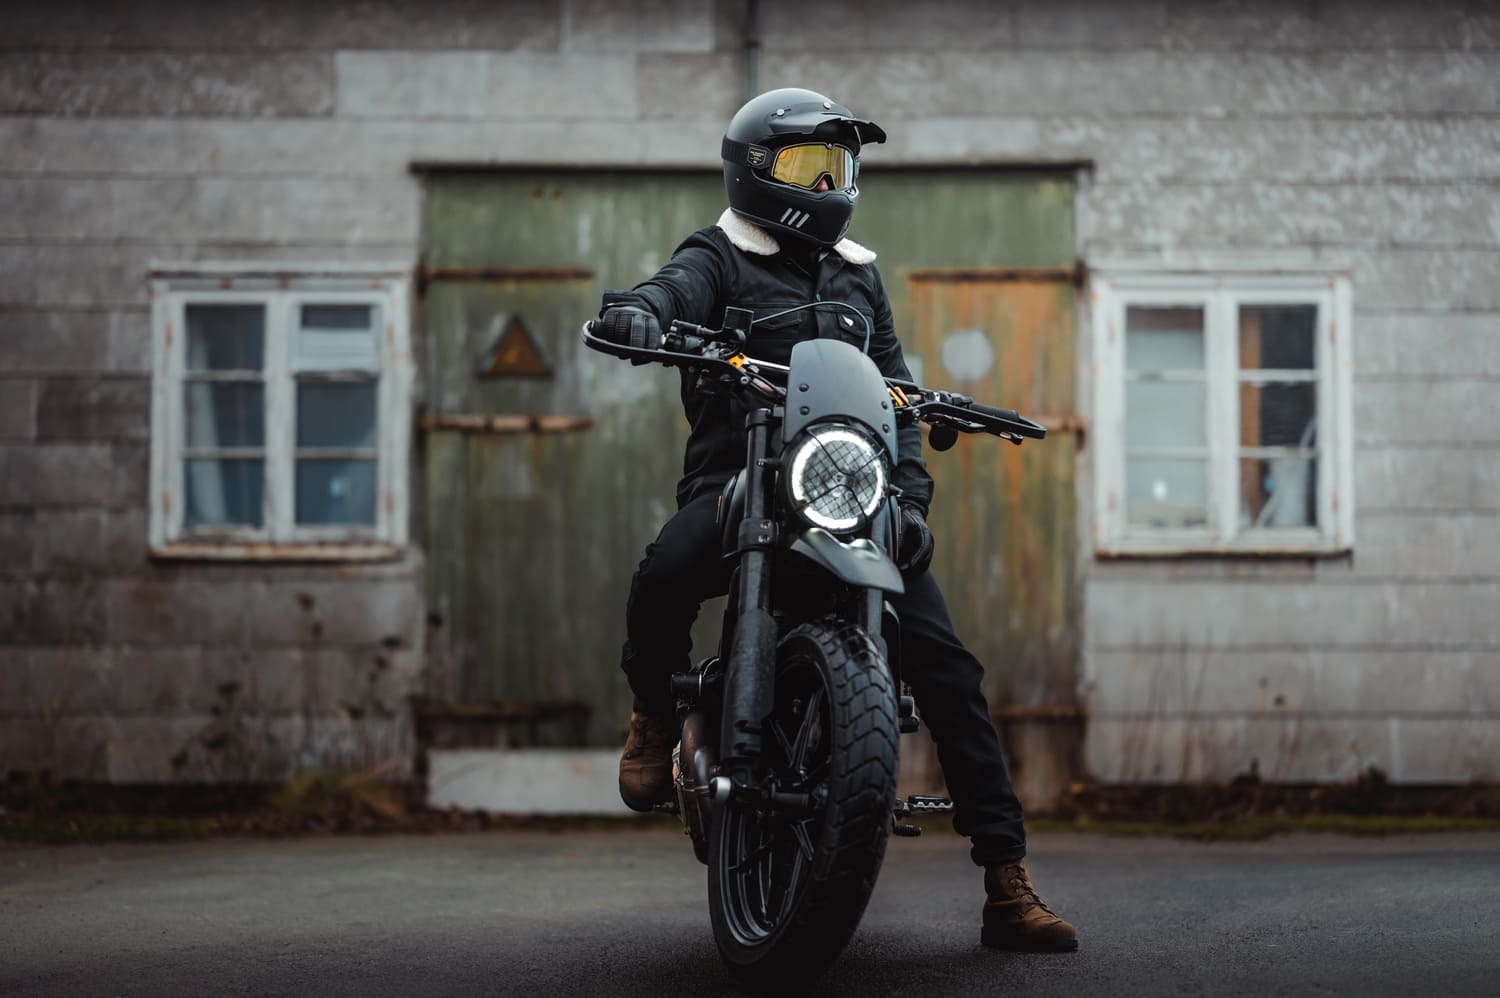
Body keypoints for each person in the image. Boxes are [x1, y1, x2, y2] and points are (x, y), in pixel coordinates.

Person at [594, 87, 1077, 953]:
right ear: (755, 173)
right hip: (738, 482)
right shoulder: (719, 255)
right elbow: (672, 289)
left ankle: (1007, 879)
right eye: (809, 165)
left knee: (948, 669)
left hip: (847, 495)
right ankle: (653, 712)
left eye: (838, 166)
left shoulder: (858, 274)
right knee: (665, 573)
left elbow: (894, 392)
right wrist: (644, 312)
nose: (828, 182)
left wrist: (911, 500)